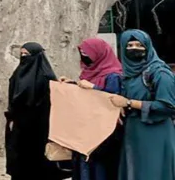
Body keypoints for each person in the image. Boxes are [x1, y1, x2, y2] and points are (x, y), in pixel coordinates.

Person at [108, 29, 175, 180]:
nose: (134, 49)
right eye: (129, 45)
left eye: (139, 45)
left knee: (152, 172)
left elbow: (168, 107)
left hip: (155, 132)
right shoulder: (129, 75)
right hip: (133, 132)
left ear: (148, 47)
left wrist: (130, 103)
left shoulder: (160, 73)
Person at [62, 38, 123, 180]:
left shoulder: (113, 75)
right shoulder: (89, 72)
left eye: (87, 53)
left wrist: (93, 87)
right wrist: (72, 85)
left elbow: (112, 100)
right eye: (82, 53)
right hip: (87, 127)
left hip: (104, 132)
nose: (84, 57)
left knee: (99, 168)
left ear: (99, 54)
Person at [5, 42, 65, 180]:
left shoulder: (46, 77)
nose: (24, 57)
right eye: (22, 54)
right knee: (20, 159)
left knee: (39, 161)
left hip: (41, 127)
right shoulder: (18, 73)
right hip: (20, 125)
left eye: (27, 54)